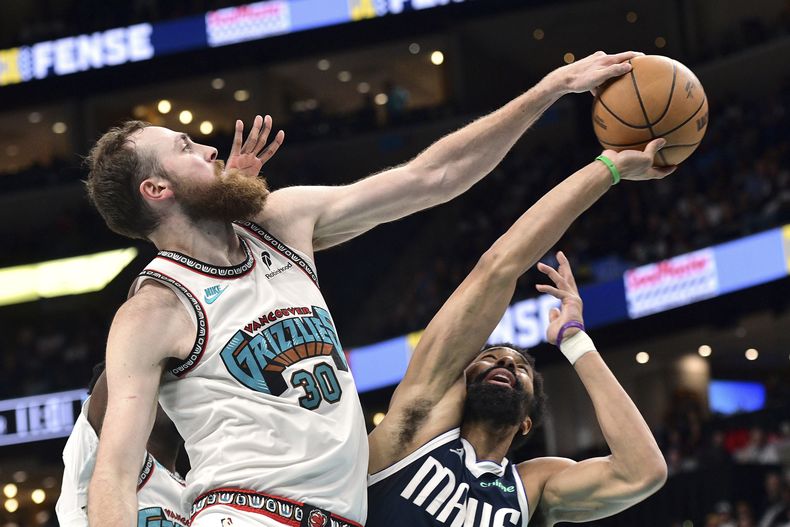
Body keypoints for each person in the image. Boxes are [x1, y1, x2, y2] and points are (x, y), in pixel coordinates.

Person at [86, 50, 646, 527]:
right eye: (185, 147)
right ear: (157, 189)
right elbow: (113, 469)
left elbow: (434, 178)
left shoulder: (281, 220)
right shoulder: (155, 309)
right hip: (247, 511)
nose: (207, 149)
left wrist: (551, 88)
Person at [367, 143, 671, 526]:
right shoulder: (415, 426)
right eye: (490, 358)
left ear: (526, 421)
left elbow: (643, 472)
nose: (506, 361)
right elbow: (498, 268)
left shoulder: (532, 487)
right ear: (460, 387)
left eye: (520, 368)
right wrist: (608, 168)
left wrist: (576, 341)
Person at [56, 363, 188, 527]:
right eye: (166, 388)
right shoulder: (97, 460)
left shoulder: (196, 490)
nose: (180, 398)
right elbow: (125, 363)